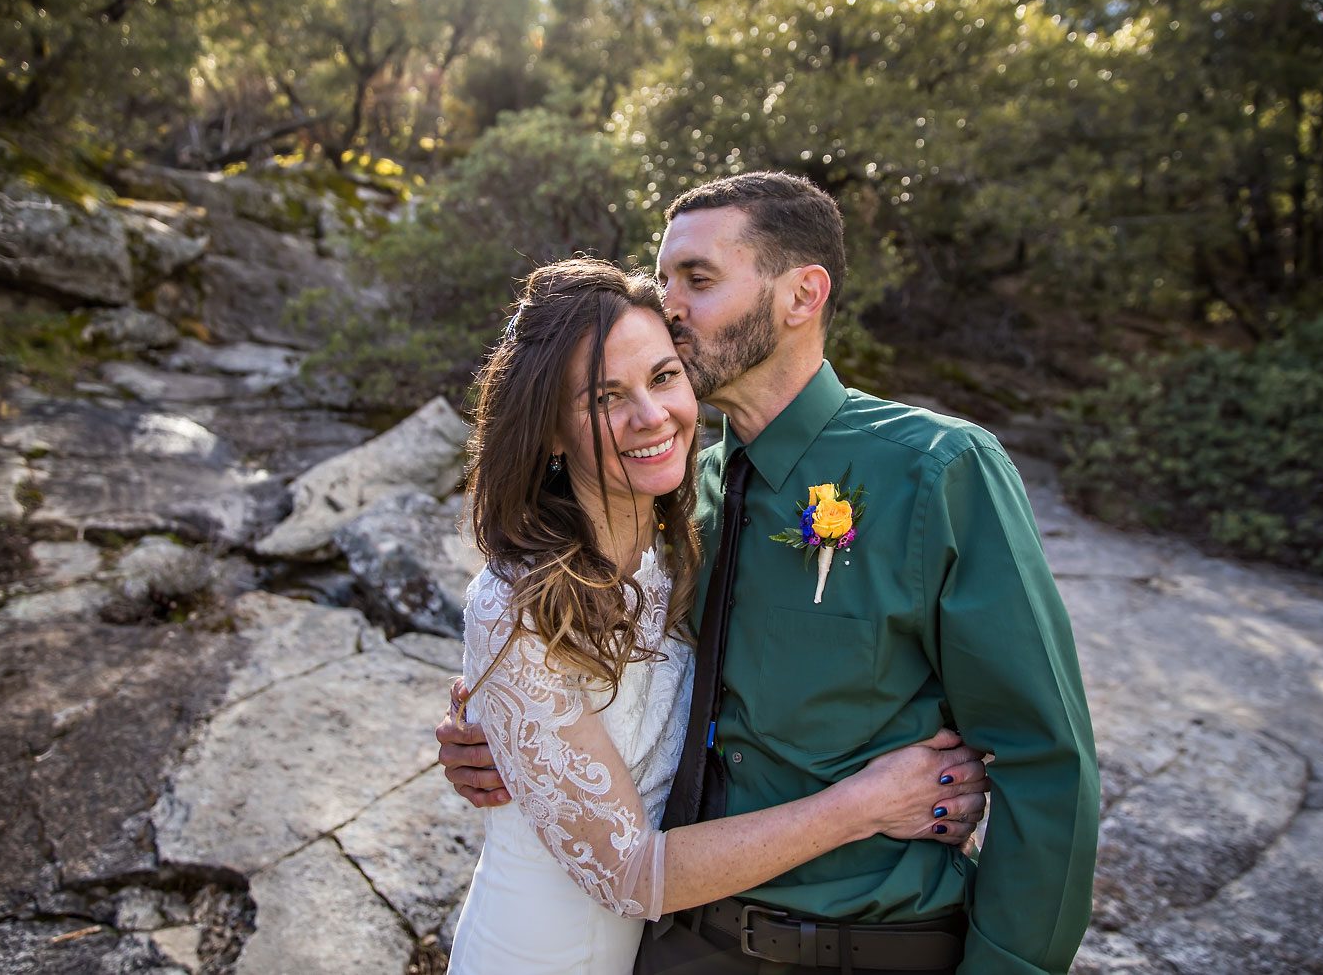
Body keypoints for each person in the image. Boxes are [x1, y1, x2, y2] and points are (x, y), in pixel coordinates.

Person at [442, 173, 1100, 975]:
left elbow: (1043, 759)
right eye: (664, 279)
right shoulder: (679, 499)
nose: (667, 305)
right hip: (677, 946)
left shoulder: (937, 472)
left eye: (699, 279)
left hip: (872, 948)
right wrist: (497, 742)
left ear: (802, 294)